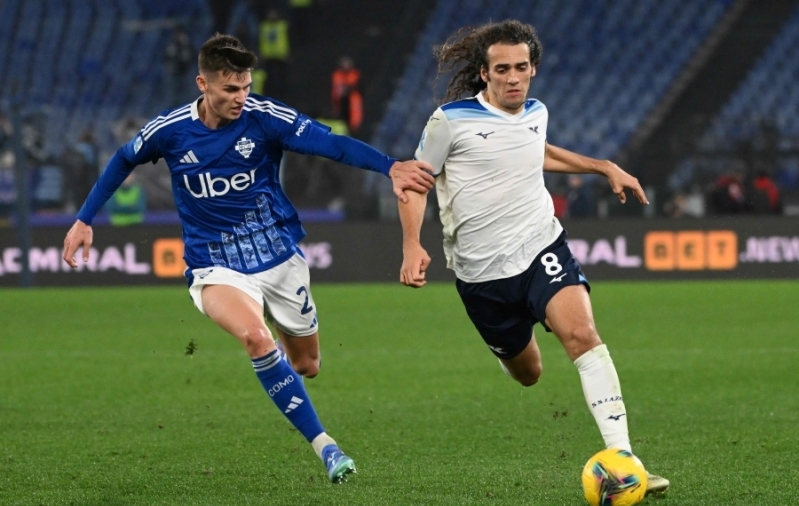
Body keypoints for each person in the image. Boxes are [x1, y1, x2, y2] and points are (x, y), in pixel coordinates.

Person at [62, 33, 434, 484]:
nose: (241, 98)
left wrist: (389, 165)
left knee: (306, 366)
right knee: (257, 340)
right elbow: (124, 158)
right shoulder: (171, 129)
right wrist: (84, 219)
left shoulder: (265, 118)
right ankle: (328, 448)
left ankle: (276, 348)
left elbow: (330, 142)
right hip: (214, 264)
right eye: (230, 89)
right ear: (203, 84)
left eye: (245, 87)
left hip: (277, 256)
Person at [396, 20, 669, 495]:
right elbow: (415, 183)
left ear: (534, 68)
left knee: (583, 336)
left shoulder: (536, 111)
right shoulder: (449, 121)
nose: (513, 77)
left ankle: (625, 461)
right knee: (529, 374)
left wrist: (603, 167)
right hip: (481, 275)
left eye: (522, 67)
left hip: (540, 246)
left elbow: (534, 150)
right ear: (485, 73)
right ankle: (511, 345)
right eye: (502, 69)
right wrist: (412, 243)